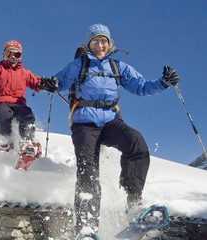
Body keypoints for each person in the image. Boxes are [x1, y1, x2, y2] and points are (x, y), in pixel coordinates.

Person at [43, 24, 179, 238]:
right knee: (88, 170)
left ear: (109, 43)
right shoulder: (78, 64)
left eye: (103, 40)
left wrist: (162, 83)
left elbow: (140, 86)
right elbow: (60, 80)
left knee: (137, 143)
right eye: (95, 41)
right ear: (88, 44)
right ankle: (87, 227)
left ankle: (134, 202)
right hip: (84, 124)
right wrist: (51, 83)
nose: (100, 45)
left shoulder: (118, 66)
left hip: (109, 121)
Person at [0, 40, 56, 153]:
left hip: (18, 103)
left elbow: (35, 82)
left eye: (17, 55)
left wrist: (44, 83)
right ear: (4, 55)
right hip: (1, 101)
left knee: (27, 115)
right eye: (10, 54)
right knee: (5, 116)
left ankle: (27, 142)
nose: (13, 58)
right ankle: (5, 140)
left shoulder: (24, 72)